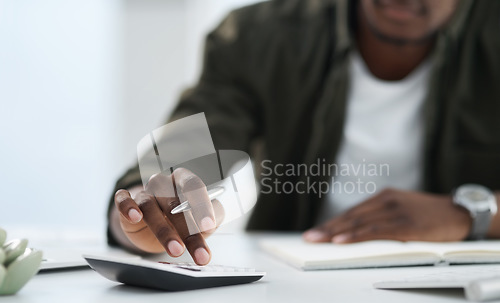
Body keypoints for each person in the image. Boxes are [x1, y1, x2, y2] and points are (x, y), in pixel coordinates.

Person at [108, 0, 500, 265]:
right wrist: (144, 215)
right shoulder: (261, 36)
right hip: (295, 290)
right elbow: (173, 161)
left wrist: (472, 214)